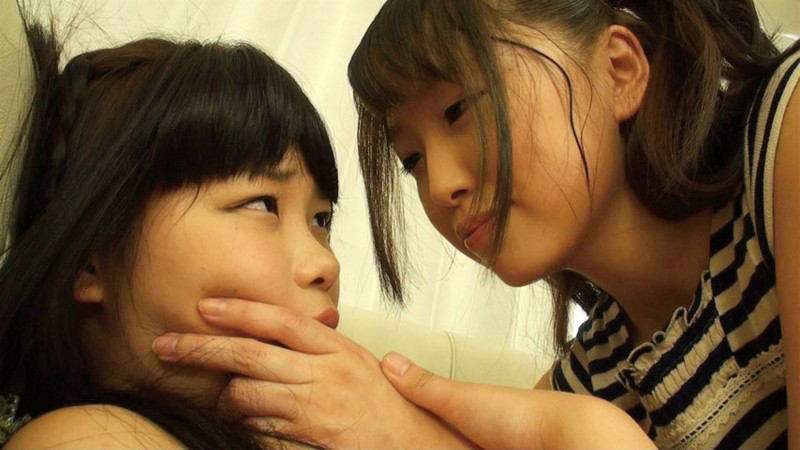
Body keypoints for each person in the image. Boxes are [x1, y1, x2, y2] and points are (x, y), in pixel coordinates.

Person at [154, 0, 799, 448]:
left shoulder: (786, 133)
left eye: (460, 109)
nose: (441, 186)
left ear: (619, 71)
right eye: (412, 160)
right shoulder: (592, 379)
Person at [0, 12, 413, 448]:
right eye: (262, 204)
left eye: (321, 220)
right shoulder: (85, 438)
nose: (325, 264)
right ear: (92, 258)